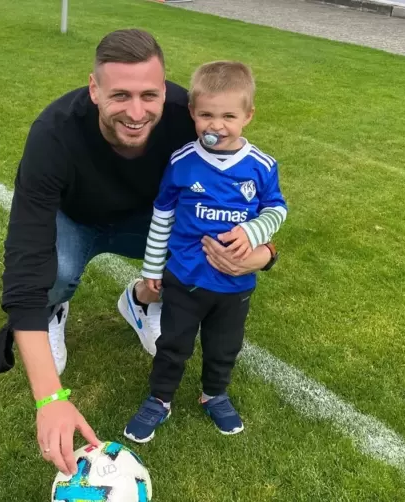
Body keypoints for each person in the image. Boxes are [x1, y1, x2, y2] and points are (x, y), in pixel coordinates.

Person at [0, 30, 279, 475]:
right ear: (94, 89)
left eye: (150, 95)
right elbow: (25, 255)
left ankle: (142, 301)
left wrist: (264, 254)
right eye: (119, 95)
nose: (137, 111)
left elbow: (246, 203)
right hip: (77, 218)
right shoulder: (53, 133)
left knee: (186, 252)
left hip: (148, 220)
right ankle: (55, 312)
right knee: (54, 272)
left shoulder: (195, 120)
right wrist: (50, 397)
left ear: (167, 92)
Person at [122, 60, 287, 443]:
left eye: (228, 115)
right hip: (185, 278)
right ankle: (159, 399)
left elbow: (276, 209)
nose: (217, 125)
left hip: (235, 285)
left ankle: (215, 393)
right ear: (193, 113)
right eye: (207, 115)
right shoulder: (182, 162)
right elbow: (162, 215)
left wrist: (251, 230)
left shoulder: (260, 166)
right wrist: (152, 269)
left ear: (248, 116)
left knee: (224, 346)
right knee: (173, 343)